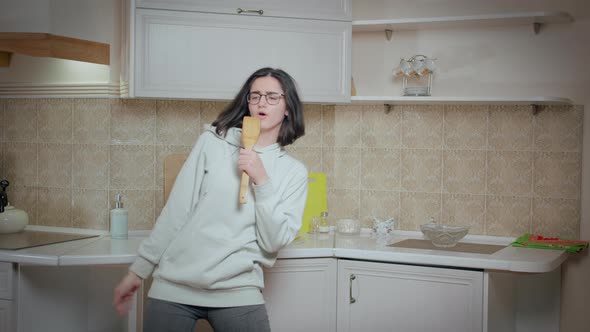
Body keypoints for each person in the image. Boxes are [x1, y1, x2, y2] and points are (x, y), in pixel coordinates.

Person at [113, 67, 308, 331]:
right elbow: (176, 211)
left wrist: (262, 181)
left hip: (238, 288)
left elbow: (273, 242)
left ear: (287, 107)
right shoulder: (213, 142)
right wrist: (138, 272)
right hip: (175, 285)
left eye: (272, 97)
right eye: (255, 96)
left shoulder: (293, 172)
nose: (262, 103)